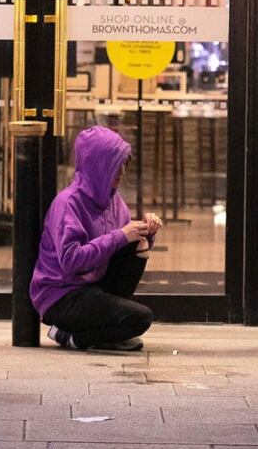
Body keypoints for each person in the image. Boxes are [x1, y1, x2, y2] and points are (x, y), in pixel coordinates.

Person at [31, 125, 161, 351]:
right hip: (60, 296)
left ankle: (98, 331)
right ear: (96, 165)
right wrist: (120, 235)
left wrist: (146, 233)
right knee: (141, 318)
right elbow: (71, 261)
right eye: (112, 165)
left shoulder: (114, 201)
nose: (120, 171)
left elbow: (122, 248)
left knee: (136, 245)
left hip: (91, 287)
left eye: (122, 164)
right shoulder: (68, 203)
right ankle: (74, 338)